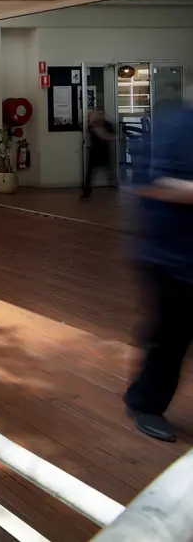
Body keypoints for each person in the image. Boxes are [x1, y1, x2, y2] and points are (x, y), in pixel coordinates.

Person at [123, 101, 193, 442]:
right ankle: (145, 403)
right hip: (173, 257)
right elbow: (153, 183)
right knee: (170, 338)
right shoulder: (176, 126)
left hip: (177, 256)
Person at [81, 108, 116, 199]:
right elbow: (105, 136)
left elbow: (111, 135)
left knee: (110, 170)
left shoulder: (108, 125)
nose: (100, 116)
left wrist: (111, 137)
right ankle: (86, 193)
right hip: (94, 152)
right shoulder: (93, 125)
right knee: (90, 173)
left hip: (104, 151)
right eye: (98, 114)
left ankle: (115, 187)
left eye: (101, 114)